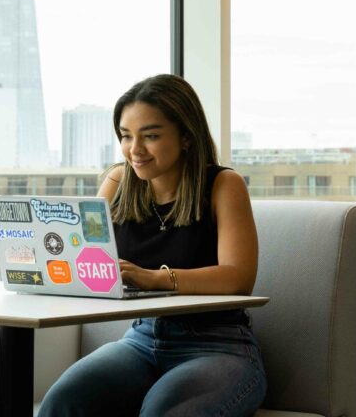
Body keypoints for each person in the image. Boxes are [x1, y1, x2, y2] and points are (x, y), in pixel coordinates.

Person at [38, 74, 266, 417]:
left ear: (186, 137)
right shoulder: (117, 182)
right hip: (142, 340)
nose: (135, 149)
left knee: (162, 412)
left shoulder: (223, 185)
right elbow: (87, 257)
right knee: (63, 402)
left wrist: (153, 278)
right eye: (126, 136)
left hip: (219, 346)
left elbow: (238, 277)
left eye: (151, 136)